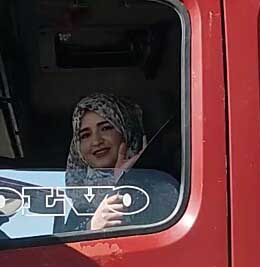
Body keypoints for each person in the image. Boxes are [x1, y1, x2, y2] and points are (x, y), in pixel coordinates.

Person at [57, 93, 178, 234]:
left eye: (106, 128)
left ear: (126, 130)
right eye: (85, 135)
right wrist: (91, 228)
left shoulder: (162, 185)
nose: (96, 141)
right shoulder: (80, 206)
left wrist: (127, 180)